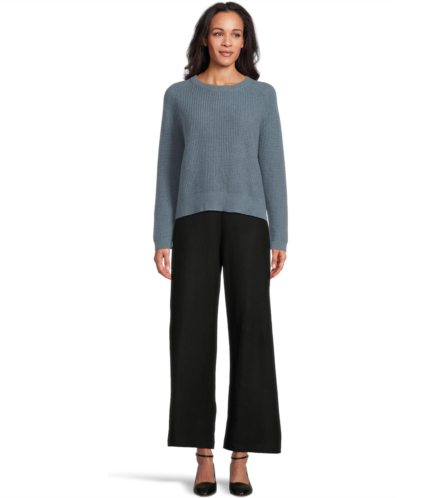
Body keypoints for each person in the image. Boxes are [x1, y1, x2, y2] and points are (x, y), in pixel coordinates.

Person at [152, 2, 288, 496]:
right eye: (218, 33)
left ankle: (242, 456)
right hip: (193, 223)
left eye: (235, 33)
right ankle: (203, 455)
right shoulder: (179, 95)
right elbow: (168, 167)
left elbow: (273, 165)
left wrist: (280, 234)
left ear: (245, 41)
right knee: (191, 332)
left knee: (252, 333)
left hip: (250, 224)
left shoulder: (262, 96)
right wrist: (162, 235)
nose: (227, 42)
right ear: (204, 39)